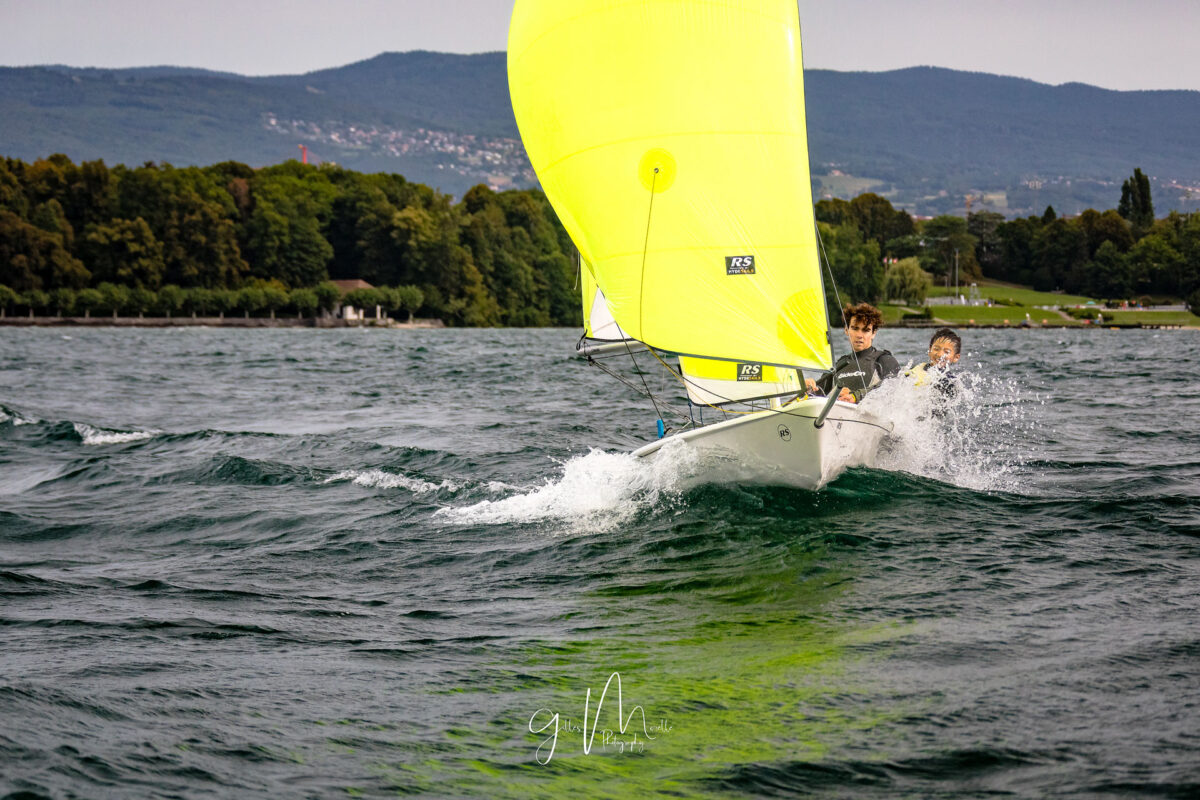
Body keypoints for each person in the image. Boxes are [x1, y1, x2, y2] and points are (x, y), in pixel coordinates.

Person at [805, 303, 900, 404]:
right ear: (846, 330)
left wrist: (856, 396)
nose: (859, 335)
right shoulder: (838, 366)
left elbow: (894, 388)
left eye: (866, 330)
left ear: (873, 333)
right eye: (855, 328)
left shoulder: (884, 360)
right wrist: (809, 389)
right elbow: (818, 395)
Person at [908, 327, 962, 400]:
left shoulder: (950, 382)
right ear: (930, 351)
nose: (940, 354)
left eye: (947, 352)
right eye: (936, 349)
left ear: (956, 357)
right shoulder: (918, 368)